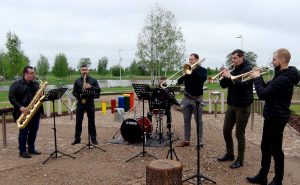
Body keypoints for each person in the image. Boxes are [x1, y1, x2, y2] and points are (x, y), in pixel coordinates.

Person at [246, 48, 300, 185]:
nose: (272, 61)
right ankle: (262, 176)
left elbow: (263, 94)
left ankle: (278, 180)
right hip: (272, 116)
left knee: (276, 150)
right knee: (265, 147)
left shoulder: (284, 79)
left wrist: (257, 77)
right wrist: (258, 77)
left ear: (282, 60)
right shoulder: (280, 75)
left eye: (274, 59)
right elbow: (267, 89)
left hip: (277, 118)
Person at [217, 49, 253, 169]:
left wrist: (230, 76)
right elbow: (223, 85)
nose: (233, 60)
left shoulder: (248, 69)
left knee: (239, 134)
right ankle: (230, 154)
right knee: (226, 130)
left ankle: (240, 160)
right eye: (232, 58)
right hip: (232, 104)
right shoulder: (234, 70)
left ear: (241, 57)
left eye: (235, 58)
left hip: (243, 105)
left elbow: (244, 86)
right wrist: (222, 76)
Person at [9, 66, 43, 158]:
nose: (34, 75)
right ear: (26, 74)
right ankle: (22, 151)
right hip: (23, 112)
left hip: (34, 111)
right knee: (24, 132)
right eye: (32, 73)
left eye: (34, 73)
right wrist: (20, 107)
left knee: (34, 131)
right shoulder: (16, 84)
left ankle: (31, 149)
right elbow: (11, 97)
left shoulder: (35, 83)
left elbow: (39, 97)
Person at [176, 53, 207, 147]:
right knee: (186, 120)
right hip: (186, 98)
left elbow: (201, 80)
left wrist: (193, 70)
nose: (190, 61)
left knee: (199, 121)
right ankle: (186, 140)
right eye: (189, 60)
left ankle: (200, 142)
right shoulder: (187, 70)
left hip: (197, 99)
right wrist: (183, 74)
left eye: (192, 60)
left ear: (197, 60)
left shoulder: (202, 70)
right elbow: (179, 82)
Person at [71, 64, 100, 145]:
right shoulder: (77, 81)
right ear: (80, 71)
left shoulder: (93, 80)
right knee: (78, 121)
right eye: (83, 70)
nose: (84, 71)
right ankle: (77, 139)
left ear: (88, 71)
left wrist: (90, 87)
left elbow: (98, 90)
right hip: (80, 103)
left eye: (86, 70)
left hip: (90, 102)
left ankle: (93, 138)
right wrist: (79, 95)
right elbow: (74, 92)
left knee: (91, 121)